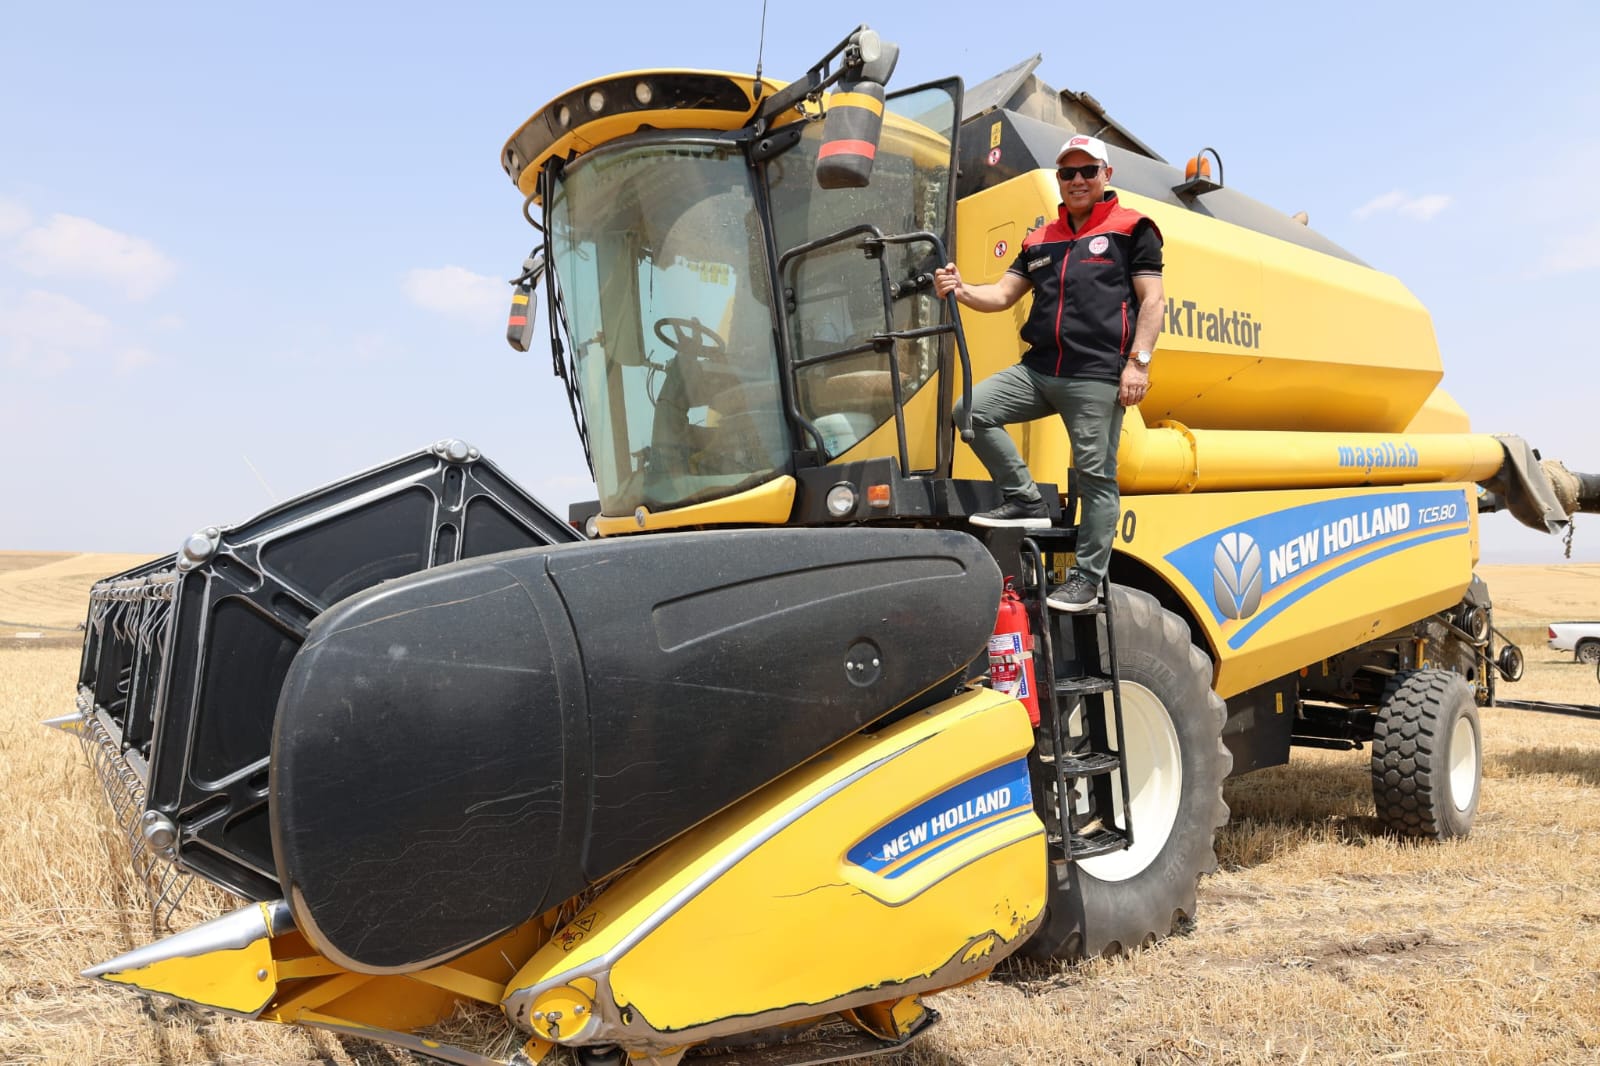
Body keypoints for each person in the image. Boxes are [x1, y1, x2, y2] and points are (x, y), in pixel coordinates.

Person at [933, 133, 1164, 612]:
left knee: (1096, 476)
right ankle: (1024, 498)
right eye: (1067, 173)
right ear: (1058, 180)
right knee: (970, 411)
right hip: (1039, 369)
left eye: (1087, 171)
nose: (1077, 181)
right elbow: (999, 297)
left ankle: (1085, 579)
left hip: (1096, 374)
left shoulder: (1133, 227)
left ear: (1106, 176)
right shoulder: (1039, 239)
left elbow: (1153, 301)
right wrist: (958, 288)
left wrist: (1138, 363)